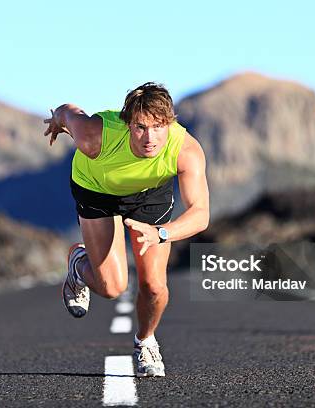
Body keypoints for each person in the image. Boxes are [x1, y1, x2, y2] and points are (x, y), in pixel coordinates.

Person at [43, 82, 209, 377]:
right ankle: (79, 266)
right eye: (141, 127)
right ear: (127, 123)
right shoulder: (96, 136)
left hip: (150, 194)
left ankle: (145, 342)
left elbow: (200, 214)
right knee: (112, 287)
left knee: (155, 286)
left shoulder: (185, 150)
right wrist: (57, 120)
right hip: (96, 188)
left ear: (170, 123)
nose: (150, 138)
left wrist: (161, 233)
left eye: (158, 127)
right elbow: (70, 114)